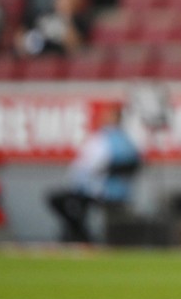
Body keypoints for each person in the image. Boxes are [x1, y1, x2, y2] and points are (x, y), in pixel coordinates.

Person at [48, 100, 141, 243]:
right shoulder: (126, 140)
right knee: (69, 203)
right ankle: (80, 234)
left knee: (60, 200)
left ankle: (81, 236)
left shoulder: (105, 140)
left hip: (100, 190)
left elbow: (90, 167)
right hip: (113, 190)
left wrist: (80, 183)